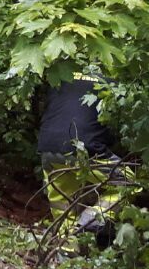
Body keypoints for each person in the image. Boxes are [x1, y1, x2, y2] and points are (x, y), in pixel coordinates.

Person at [38, 75, 135, 246]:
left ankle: (66, 249)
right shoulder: (110, 84)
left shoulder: (62, 76)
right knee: (127, 182)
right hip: (83, 148)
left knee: (62, 204)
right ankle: (87, 223)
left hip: (48, 146)